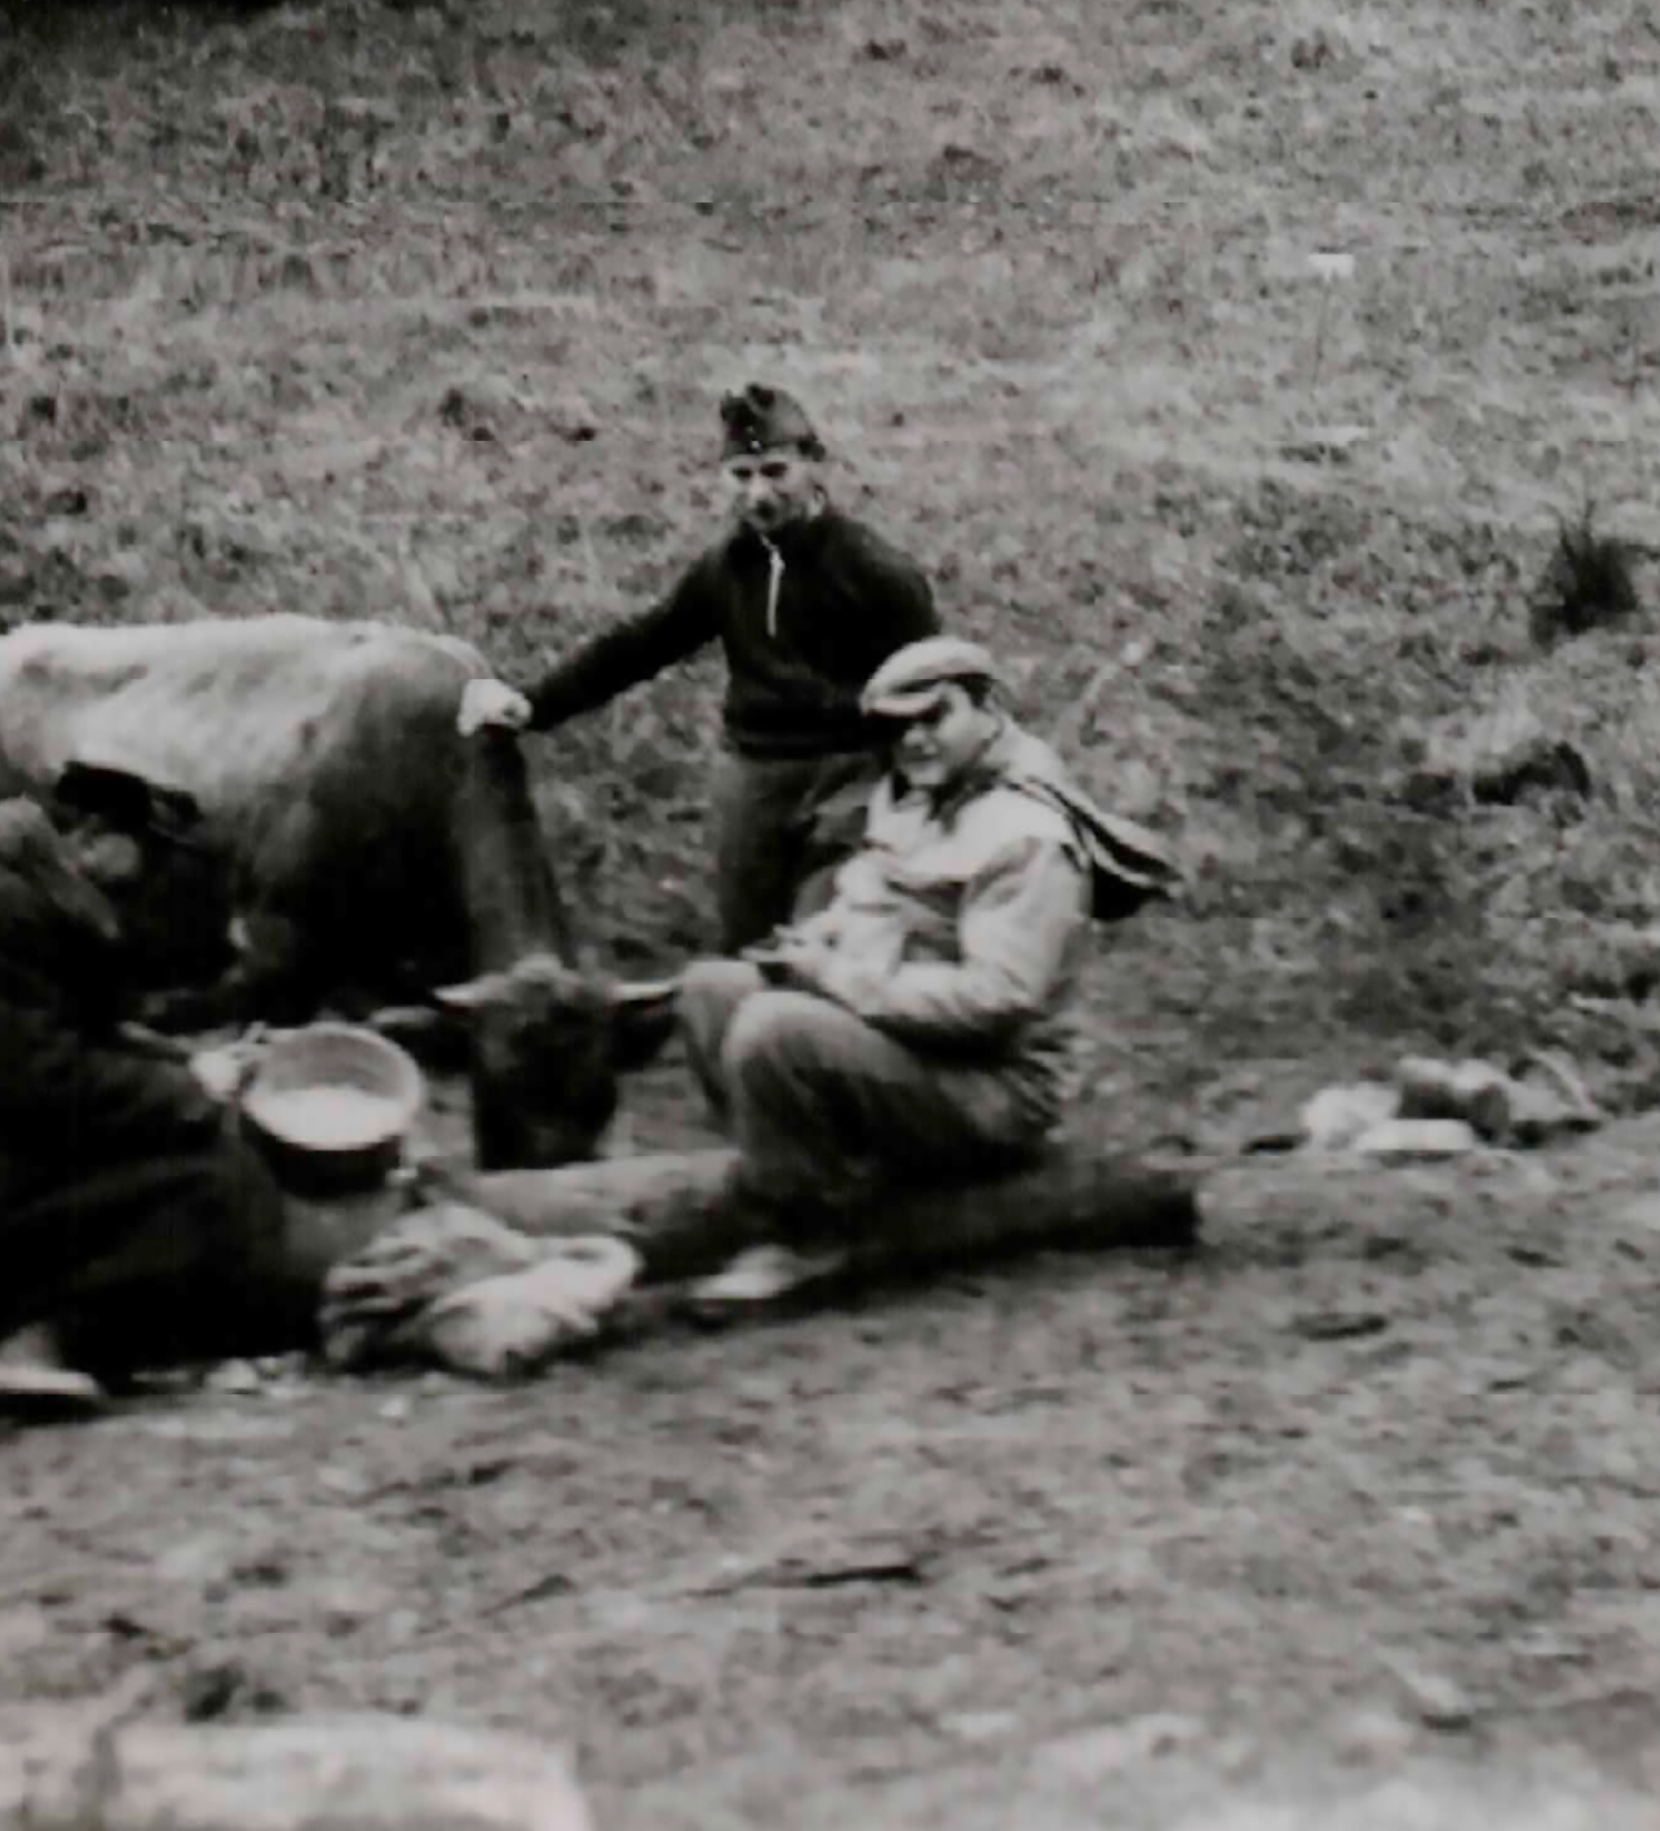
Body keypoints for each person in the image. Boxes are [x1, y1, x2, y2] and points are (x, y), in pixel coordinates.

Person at [667, 636, 1183, 1307]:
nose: (913, 739)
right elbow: (872, 900)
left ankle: (806, 1236)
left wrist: (836, 980)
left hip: (993, 1085)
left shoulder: (1027, 833)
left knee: (772, 1028)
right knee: (711, 990)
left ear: (986, 707)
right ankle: (804, 1175)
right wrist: (817, 940)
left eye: (933, 716)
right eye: (895, 727)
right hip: (912, 1044)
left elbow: (996, 1001)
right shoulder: (916, 796)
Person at [0, 759, 324, 1422]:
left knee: (205, 1166)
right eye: (144, 853)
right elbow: (47, 1084)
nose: (148, 876)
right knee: (208, 1187)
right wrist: (189, 1089)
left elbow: (74, 1037)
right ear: (93, 835)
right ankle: (44, 1344)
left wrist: (188, 1063)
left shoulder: (14, 893)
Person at [457, 382, 942, 951]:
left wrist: (934, 787)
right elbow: (642, 644)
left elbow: (935, 682)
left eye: (776, 472)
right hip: (753, 780)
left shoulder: (875, 572)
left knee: (826, 944)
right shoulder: (727, 568)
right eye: (741, 475)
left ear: (815, 464)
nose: (759, 494)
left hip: (849, 782)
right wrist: (534, 704)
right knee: (746, 945)